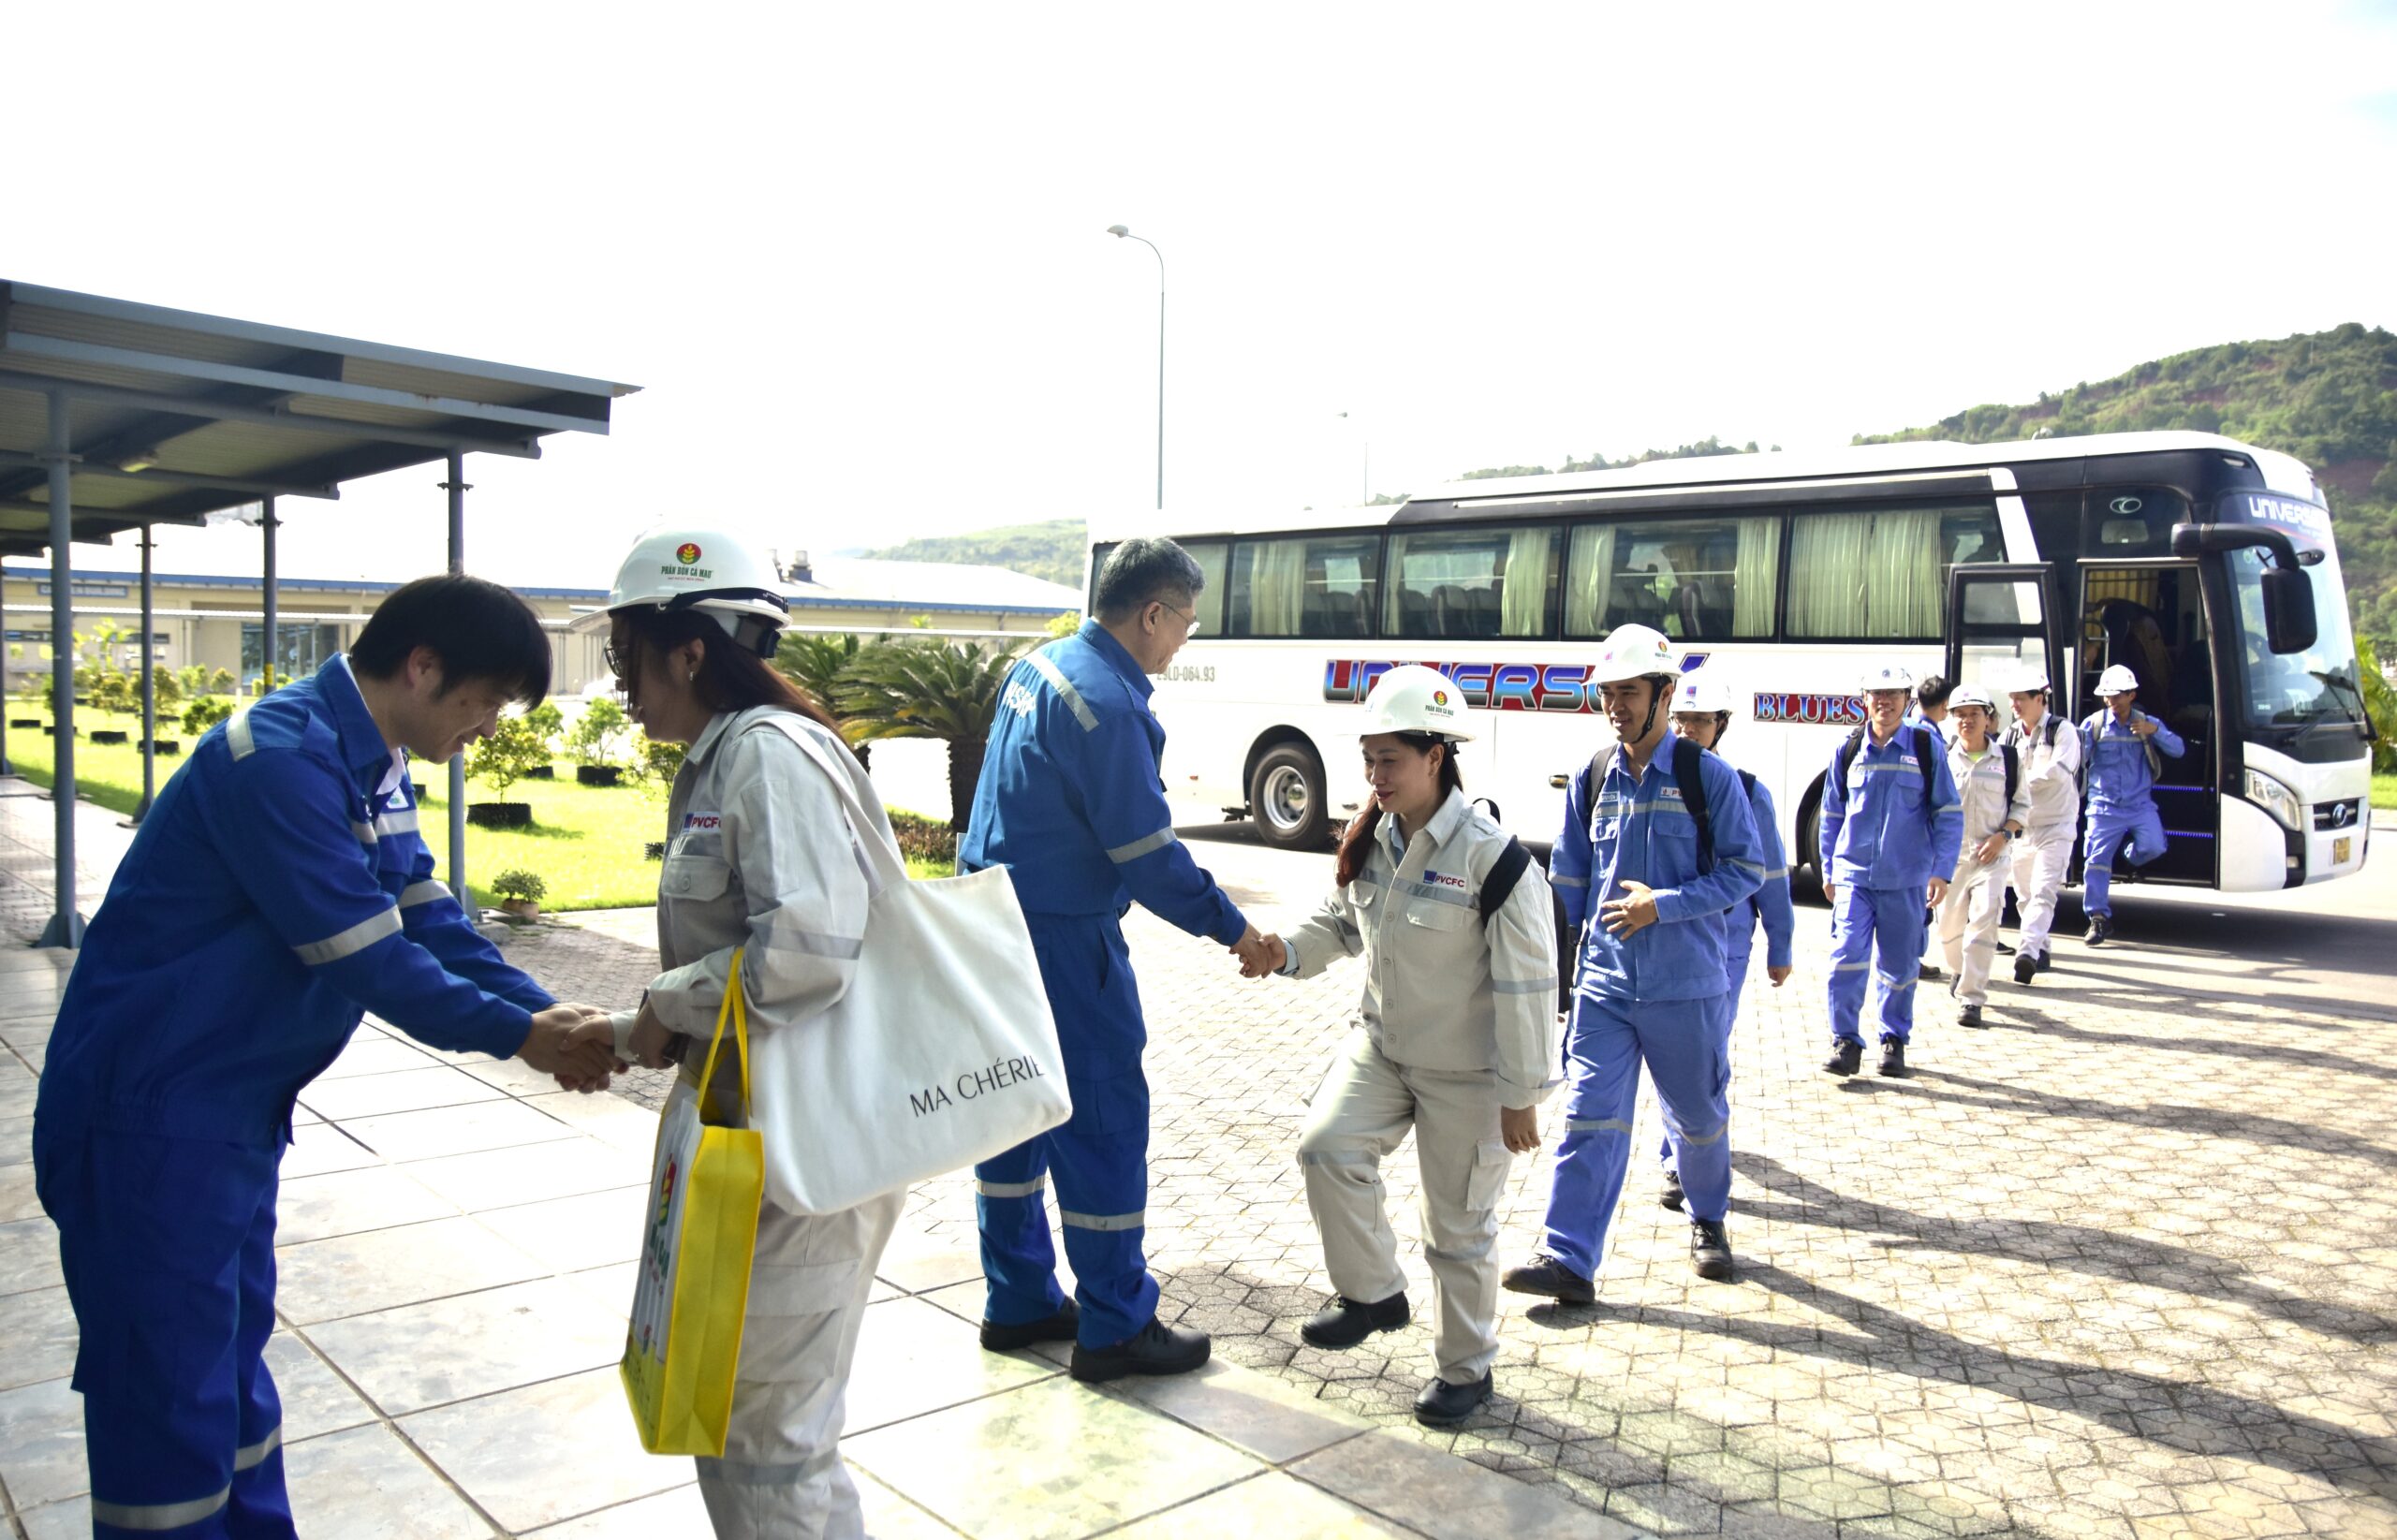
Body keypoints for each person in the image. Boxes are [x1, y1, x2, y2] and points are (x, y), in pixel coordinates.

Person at [33, 576, 618, 1540]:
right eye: (484, 702)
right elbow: (367, 956)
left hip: (227, 1115)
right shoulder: (281, 762)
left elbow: (425, 915)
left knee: (229, 1383)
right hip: (148, 1118)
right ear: (422, 667)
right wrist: (526, 1038)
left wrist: (546, 1007)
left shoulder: (367, 758)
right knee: (167, 1403)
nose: (487, 727)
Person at [582, 527, 904, 1539]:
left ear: (689, 648)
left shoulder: (766, 754)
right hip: (751, 1136)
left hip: (806, 1150)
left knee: (774, 1440)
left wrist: (660, 1002)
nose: (619, 683)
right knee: (731, 1414)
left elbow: (806, 955)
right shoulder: (728, 757)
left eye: (625, 654)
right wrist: (643, 1027)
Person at [961, 538, 1276, 1384]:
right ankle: (1113, 1323)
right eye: (1185, 626)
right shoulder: (1109, 703)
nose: (1181, 645)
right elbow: (1148, 854)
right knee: (1099, 1118)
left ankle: (1020, 1298)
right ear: (1153, 613)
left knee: (1011, 1112)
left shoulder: (1038, 669)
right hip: (1063, 939)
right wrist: (1235, 929)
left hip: (989, 925)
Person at [1238, 666, 1557, 1427]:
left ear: (1434, 757)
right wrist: (1280, 949)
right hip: (1383, 1050)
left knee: (1457, 1229)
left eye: (1389, 760)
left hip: (1469, 1076)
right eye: (1369, 759)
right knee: (1326, 1147)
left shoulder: (1493, 858)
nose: (1374, 775)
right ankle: (1375, 1294)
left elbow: (1529, 985)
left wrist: (1522, 1092)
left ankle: (1466, 1369)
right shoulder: (1373, 838)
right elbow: (1342, 924)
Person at [1502, 623, 1765, 1303]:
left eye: (1629, 691)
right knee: (1589, 1116)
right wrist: (1555, 975)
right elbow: (1569, 881)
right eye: (1607, 693)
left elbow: (1747, 869)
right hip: (1605, 987)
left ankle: (1708, 1219)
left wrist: (1667, 904)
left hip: (1686, 988)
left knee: (1699, 1121)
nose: (1616, 705)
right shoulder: (1592, 777)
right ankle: (1568, 1258)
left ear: (1663, 693)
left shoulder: (1709, 778)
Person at [1654, 667, 1792, 1211]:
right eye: (1681, 719)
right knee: (1671, 1049)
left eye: (1701, 721)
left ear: (1721, 726)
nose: (1689, 730)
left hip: (1724, 947)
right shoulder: (1646, 783)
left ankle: (1678, 1158)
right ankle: (1683, 1153)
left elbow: (1771, 874)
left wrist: (1781, 944)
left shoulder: (1746, 790)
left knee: (1704, 1050)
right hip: (1660, 941)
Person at [1818, 663, 1963, 1078]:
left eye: (1894, 695)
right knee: (1845, 957)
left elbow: (1948, 813)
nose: (1884, 702)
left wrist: (1941, 870)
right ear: (1864, 701)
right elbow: (1831, 814)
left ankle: (1893, 1040)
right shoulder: (1848, 751)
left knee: (1899, 968)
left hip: (1907, 878)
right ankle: (1845, 1041)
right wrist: (1828, 868)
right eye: (1876, 695)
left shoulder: (1924, 747)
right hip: (1854, 877)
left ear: (1907, 701)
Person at [1935, 684, 2030, 1028]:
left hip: (1992, 859)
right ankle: (1959, 972)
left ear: (1988, 719)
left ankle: (1972, 998)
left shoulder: (2008, 759)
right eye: (1960, 715)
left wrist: (2004, 836)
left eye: (1974, 714)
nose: (1967, 721)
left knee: (1985, 921)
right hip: (1952, 861)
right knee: (1948, 932)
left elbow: (2022, 806)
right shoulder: (1942, 760)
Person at [2079, 663, 2186, 946]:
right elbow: (2076, 759)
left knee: (2155, 846)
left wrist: (2155, 731)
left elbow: (2178, 749)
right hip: (2104, 806)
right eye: (2107, 696)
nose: (2111, 702)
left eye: (2117, 696)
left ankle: (2128, 857)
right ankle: (2098, 918)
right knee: (2096, 861)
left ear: (2131, 695)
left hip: (2140, 804)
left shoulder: (2147, 722)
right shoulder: (2094, 725)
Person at [2001, 664, 2081, 982]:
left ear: (2041, 699)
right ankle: (2041, 945)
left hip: (2057, 825)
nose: (2016, 705)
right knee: (2023, 895)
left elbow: (2059, 773)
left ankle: (2028, 952)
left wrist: (2020, 784)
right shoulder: (2009, 736)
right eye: (2012, 698)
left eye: (2022, 698)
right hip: (2023, 828)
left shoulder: (2063, 732)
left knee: (2044, 890)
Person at [1909, 675, 1955, 980]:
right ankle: (1913, 959)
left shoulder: (1911, 732)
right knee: (1921, 905)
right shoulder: (1930, 739)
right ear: (1945, 706)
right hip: (1921, 837)